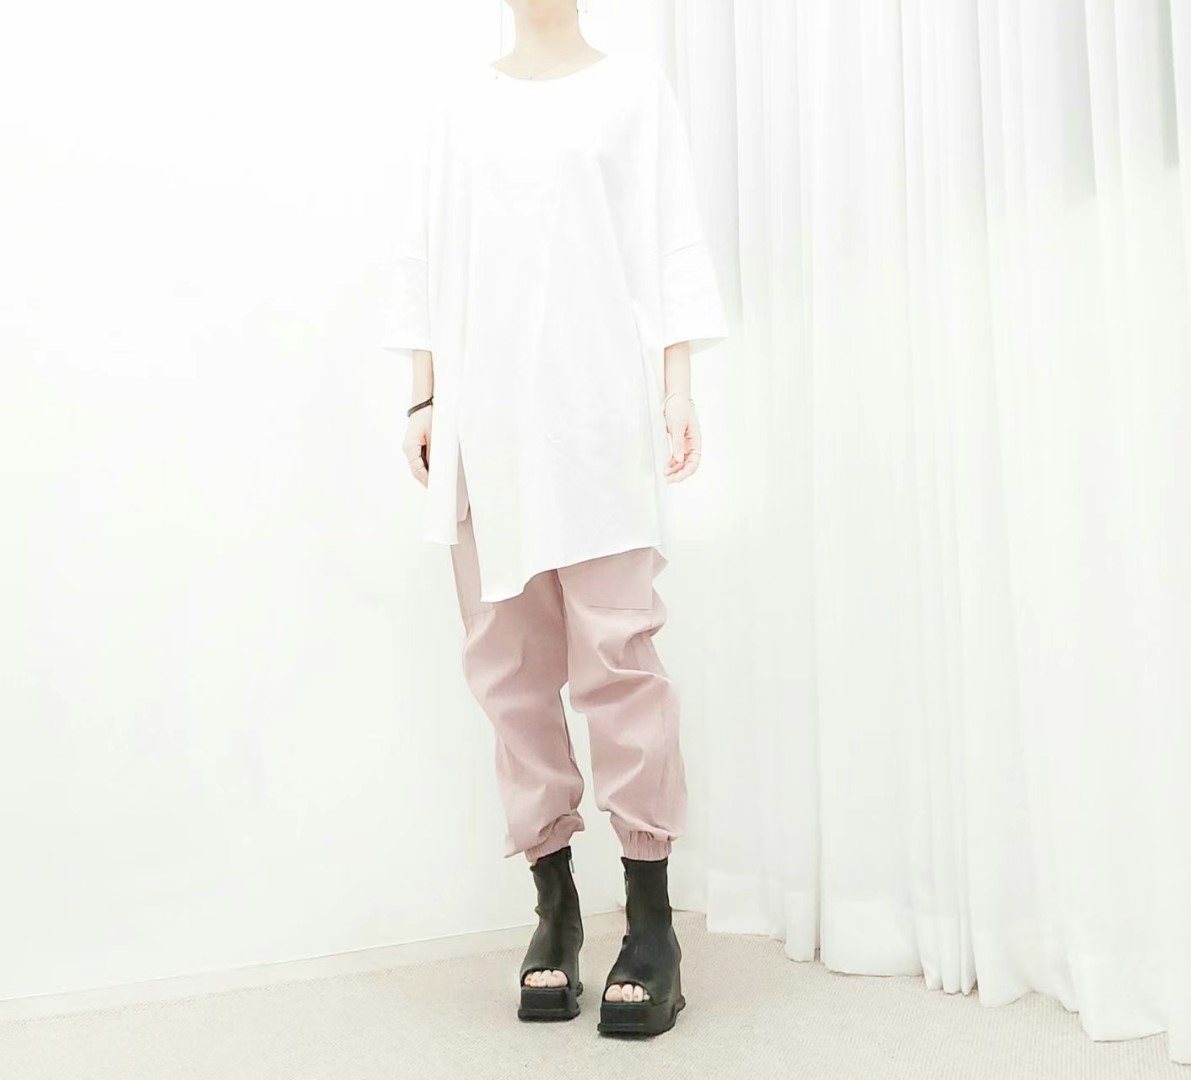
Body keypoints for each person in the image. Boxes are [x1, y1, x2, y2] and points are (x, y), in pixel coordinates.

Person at [380, 0, 728, 1037]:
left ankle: (651, 921)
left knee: (618, 658)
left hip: (596, 413)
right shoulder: (457, 105)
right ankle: (555, 906)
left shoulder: (631, 90)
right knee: (510, 669)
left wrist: (676, 388)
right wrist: (421, 398)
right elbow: (423, 255)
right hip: (484, 421)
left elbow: (668, 242)